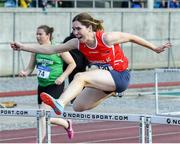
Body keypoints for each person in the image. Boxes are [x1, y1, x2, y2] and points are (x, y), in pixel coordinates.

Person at [11, 12, 172, 116]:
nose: (75, 33)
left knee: (81, 77)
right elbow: (52, 48)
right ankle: (111, 92)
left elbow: (131, 37)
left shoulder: (106, 38)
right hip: (107, 81)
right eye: (73, 29)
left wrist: (155, 48)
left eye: (78, 29)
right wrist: (23, 47)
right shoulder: (77, 43)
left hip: (120, 75)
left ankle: (59, 103)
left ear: (89, 28)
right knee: (78, 106)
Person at [18, 25, 76, 141]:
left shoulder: (58, 48)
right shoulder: (36, 50)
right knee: (43, 116)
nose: (37, 36)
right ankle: (66, 124)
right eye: (37, 34)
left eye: (40, 34)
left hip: (55, 85)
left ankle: (39, 141)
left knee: (42, 114)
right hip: (42, 86)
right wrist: (25, 72)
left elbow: (72, 64)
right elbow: (30, 67)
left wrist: (62, 77)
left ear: (48, 35)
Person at [63, 32, 89, 104]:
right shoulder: (81, 40)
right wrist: (88, 64)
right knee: (81, 83)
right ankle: (78, 99)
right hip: (79, 65)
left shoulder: (68, 39)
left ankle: (74, 99)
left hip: (73, 66)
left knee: (73, 82)